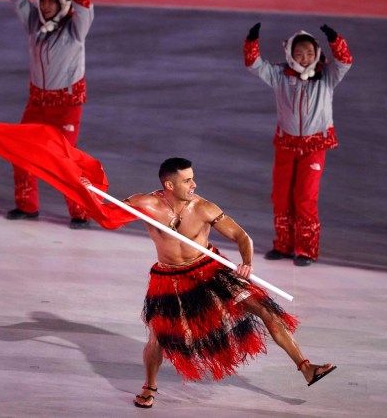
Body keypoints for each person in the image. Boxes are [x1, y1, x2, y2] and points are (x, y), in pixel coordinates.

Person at [121, 158, 335, 409]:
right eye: (187, 180)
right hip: (170, 278)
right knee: (158, 337)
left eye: (193, 178)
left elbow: (241, 236)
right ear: (169, 184)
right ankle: (149, 387)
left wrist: (247, 263)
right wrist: (83, 187)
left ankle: (306, 367)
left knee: (265, 310)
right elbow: (106, 210)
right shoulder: (145, 203)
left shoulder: (204, 208)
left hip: (209, 270)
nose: (194, 184)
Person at [244, 23, 353, 266]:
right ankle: (283, 245)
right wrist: (252, 41)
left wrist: (334, 38)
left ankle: (306, 250)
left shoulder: (327, 75)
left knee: (305, 198)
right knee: (281, 196)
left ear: (316, 54)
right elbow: (254, 64)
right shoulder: (280, 75)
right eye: (299, 53)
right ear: (290, 54)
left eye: (310, 54)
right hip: (286, 144)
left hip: (315, 147)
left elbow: (345, 60)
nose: (305, 59)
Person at [6, 0, 94, 229]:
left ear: (62, 4)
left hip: (66, 106)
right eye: (43, 1)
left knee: (64, 161)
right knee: (21, 153)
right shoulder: (34, 23)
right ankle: (27, 206)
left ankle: (81, 213)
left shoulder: (75, 29)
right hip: (37, 103)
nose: (45, 6)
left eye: (51, 2)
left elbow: (85, 9)